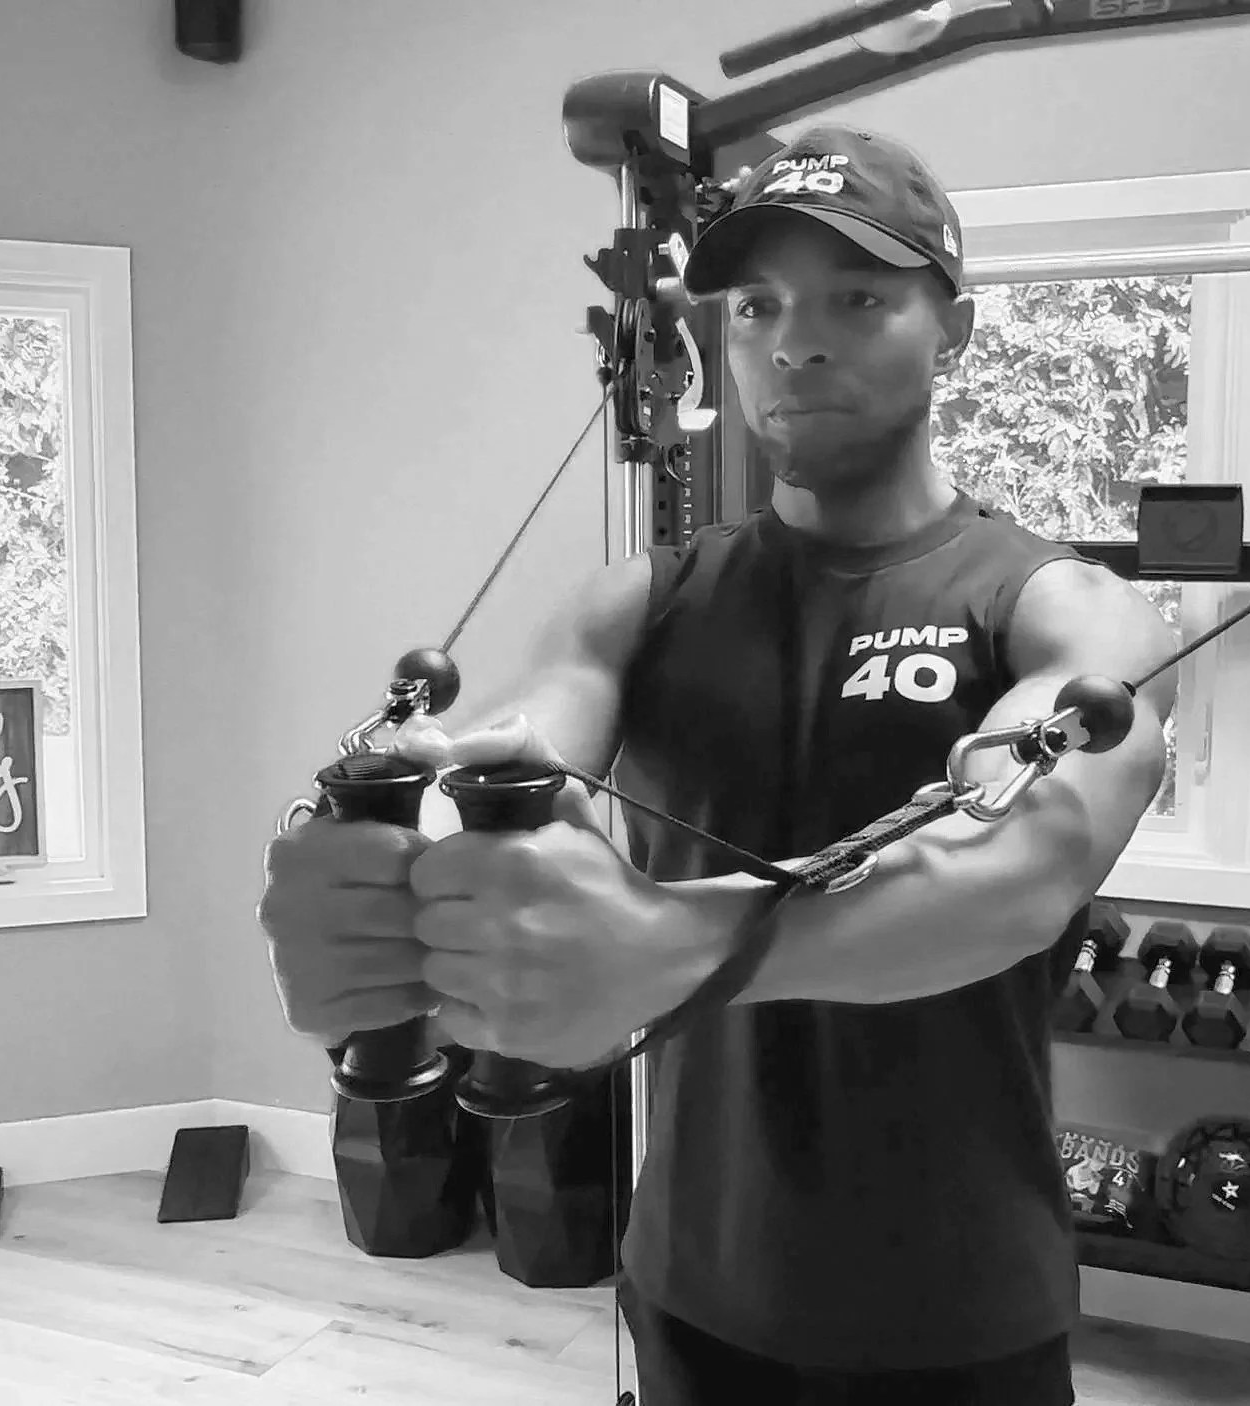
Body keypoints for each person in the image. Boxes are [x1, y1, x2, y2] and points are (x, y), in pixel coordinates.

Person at [261, 124, 1179, 1405]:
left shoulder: (1064, 609)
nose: (796, 340)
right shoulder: (633, 605)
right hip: (694, 1279)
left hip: (956, 1300)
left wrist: (669, 941)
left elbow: (1022, 869)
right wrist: (397, 863)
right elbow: (531, 763)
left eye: (857, 297)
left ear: (954, 331)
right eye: (758, 306)